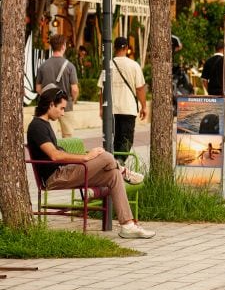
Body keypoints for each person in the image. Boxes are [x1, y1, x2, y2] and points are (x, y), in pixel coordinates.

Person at [27, 90, 153, 238]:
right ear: (50, 105)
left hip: (66, 171)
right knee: (106, 156)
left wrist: (86, 157)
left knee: (113, 175)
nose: (62, 113)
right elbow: (55, 155)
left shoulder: (44, 124)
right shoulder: (37, 127)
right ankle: (124, 171)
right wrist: (86, 157)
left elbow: (57, 153)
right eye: (61, 108)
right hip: (56, 177)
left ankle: (128, 225)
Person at [98, 36, 148, 157]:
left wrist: (101, 108)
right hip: (128, 109)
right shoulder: (134, 65)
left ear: (114, 48)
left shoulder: (107, 65)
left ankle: (114, 164)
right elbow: (140, 88)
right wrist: (144, 106)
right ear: (126, 48)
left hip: (111, 109)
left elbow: (101, 90)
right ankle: (119, 163)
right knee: (126, 140)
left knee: (113, 141)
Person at [35, 34, 79, 138]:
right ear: (63, 46)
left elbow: (38, 88)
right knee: (68, 137)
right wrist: (72, 100)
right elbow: (74, 89)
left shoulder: (43, 66)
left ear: (51, 46)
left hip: (49, 106)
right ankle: (66, 154)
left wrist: (47, 97)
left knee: (50, 136)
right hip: (66, 106)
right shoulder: (70, 66)